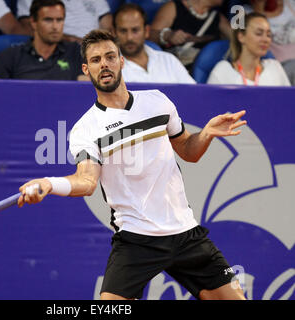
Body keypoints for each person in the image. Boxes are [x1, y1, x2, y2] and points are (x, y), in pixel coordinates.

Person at [16, 29, 247, 300]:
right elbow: (87, 182)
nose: (104, 64)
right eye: (96, 59)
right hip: (136, 239)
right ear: (86, 69)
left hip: (186, 233)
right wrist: (48, 183)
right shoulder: (85, 129)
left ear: (121, 61)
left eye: (110, 56)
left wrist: (206, 133)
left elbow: (188, 151)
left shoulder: (158, 101)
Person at [0, 0, 87, 81]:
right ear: (33, 23)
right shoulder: (10, 56)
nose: (55, 26)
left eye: (59, 20)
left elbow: (84, 92)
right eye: (48, 20)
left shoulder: (76, 53)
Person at [113, 3, 196, 84]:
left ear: (146, 31)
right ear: (114, 33)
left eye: (135, 30)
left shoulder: (169, 61)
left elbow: (195, 94)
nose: (129, 37)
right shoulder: (110, 69)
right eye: (123, 31)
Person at [207, 12, 290, 86]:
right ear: (241, 37)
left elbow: (288, 101)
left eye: (268, 35)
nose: (266, 39)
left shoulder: (274, 67)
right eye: (259, 33)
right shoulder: (223, 71)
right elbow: (210, 102)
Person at [149, 0, 232, 71]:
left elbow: (238, 38)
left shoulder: (217, 18)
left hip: (203, 73)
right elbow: (150, 36)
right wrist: (168, 35)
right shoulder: (173, 7)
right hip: (175, 70)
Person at [17, 0, 113, 43]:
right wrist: (70, 40)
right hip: (60, 47)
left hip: (93, 49)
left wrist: (97, 44)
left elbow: (108, 27)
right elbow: (29, 28)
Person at [251, 0, 295, 85]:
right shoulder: (242, 11)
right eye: (259, 33)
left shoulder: (292, 4)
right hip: (277, 65)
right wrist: (259, 11)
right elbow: (237, 34)